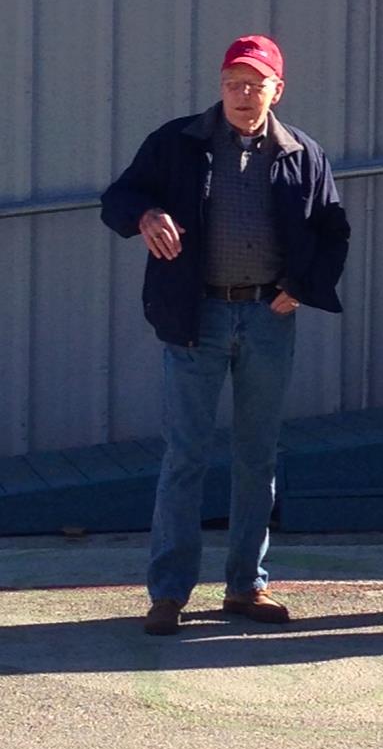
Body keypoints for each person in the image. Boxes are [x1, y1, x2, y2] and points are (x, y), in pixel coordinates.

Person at [101, 35, 350, 635]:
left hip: (269, 319)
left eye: (255, 84)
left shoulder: (302, 154)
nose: (243, 95)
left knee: (256, 457)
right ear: (220, 87)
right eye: (233, 84)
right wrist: (145, 215)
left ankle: (245, 587)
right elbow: (118, 197)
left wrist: (302, 287)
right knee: (185, 456)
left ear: (277, 90)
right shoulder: (177, 143)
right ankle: (168, 594)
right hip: (196, 321)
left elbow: (332, 230)